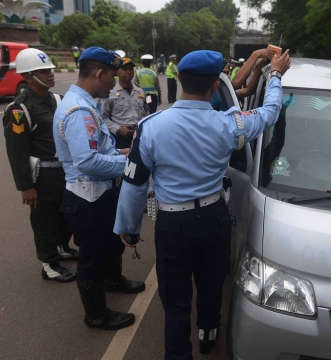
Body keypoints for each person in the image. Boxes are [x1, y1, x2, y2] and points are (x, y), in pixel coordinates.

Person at [114, 49, 291, 359]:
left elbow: (134, 184)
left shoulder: (152, 126)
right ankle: (208, 332)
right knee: (211, 284)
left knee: (175, 299)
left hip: (172, 226)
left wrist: (128, 227)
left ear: (179, 79)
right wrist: (274, 76)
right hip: (214, 218)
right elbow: (271, 112)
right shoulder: (230, 125)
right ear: (214, 86)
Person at [53, 47, 145, 331]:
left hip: (98, 194)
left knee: (110, 245)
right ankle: (96, 315)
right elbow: (87, 161)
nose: (113, 83)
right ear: (98, 73)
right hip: (86, 197)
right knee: (92, 259)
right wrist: (130, 165)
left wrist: (122, 155)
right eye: (111, 76)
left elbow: (99, 149)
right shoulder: (79, 110)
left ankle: (113, 281)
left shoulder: (85, 103)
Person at [2, 48, 78, 283]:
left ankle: (62, 247)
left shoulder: (55, 100)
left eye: (50, 70)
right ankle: (49, 264)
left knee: (64, 214)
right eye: (43, 72)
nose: (50, 74)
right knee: (44, 219)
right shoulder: (19, 109)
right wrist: (26, 186)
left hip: (62, 170)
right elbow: (17, 152)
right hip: (41, 174)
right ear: (27, 77)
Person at [103, 57, 150, 149]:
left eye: (130, 69)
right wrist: (118, 129)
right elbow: (102, 117)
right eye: (124, 69)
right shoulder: (109, 92)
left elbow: (147, 112)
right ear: (117, 71)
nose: (128, 72)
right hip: (119, 138)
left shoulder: (140, 91)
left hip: (140, 136)